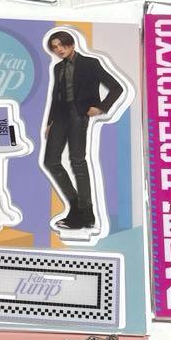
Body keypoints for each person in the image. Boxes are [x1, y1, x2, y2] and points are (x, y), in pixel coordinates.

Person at [41, 30, 127, 232]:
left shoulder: (90, 63)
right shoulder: (58, 68)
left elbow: (117, 87)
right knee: (50, 161)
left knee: (77, 161)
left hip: (78, 114)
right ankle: (76, 207)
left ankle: (86, 214)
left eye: (61, 45)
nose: (59, 50)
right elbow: (55, 96)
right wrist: (50, 122)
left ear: (71, 44)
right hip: (60, 115)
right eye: (54, 47)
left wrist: (101, 107)